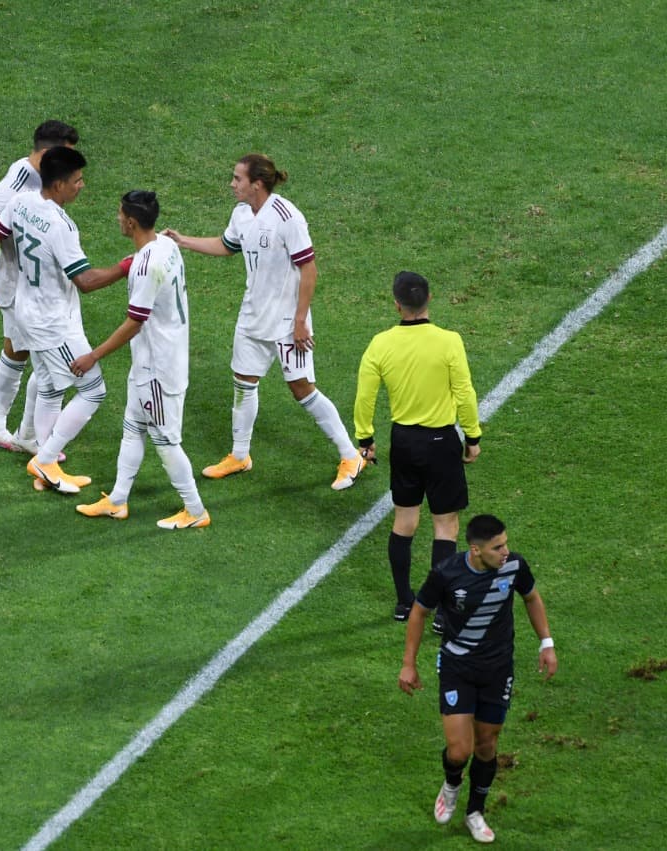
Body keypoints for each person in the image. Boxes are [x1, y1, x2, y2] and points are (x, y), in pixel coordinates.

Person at [163, 153, 365, 490]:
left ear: (257, 183)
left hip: (287, 321)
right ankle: (240, 455)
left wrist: (301, 321)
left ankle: (350, 455)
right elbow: (227, 246)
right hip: (253, 316)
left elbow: (309, 269)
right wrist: (183, 241)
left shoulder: (287, 217)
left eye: (237, 179)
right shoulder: (242, 214)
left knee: (301, 389)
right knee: (243, 382)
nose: (232, 184)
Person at [398, 514, 558, 844]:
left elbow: (531, 598)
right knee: (459, 751)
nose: (506, 552)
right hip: (458, 668)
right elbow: (418, 612)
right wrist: (408, 664)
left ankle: (475, 811)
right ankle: (452, 783)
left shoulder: (514, 566)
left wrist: (547, 643)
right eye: (498, 547)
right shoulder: (447, 573)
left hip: (498, 670)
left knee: (487, 746)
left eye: (506, 544)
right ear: (475, 550)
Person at [0, 146, 129, 494]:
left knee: (49, 383)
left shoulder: (20, 202)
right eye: (77, 181)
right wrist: (127, 266)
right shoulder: (62, 226)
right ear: (59, 184)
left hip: (25, 309)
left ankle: (39, 456)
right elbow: (86, 281)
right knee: (93, 389)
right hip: (52, 323)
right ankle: (46, 460)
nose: (82, 186)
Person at [71, 191, 210, 530]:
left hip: (159, 369)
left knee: (165, 440)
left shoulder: (147, 265)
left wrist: (93, 355)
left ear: (131, 222)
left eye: (120, 214)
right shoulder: (166, 246)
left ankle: (195, 510)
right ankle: (117, 501)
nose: (117, 219)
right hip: (151, 362)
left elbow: (135, 322)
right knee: (132, 428)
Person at [354, 271, 483, 628]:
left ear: (397, 304)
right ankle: (442, 610)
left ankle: (403, 603)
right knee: (446, 526)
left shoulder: (380, 344)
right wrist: (472, 437)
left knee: (405, 522)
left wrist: (365, 439)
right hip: (442, 442)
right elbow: (465, 393)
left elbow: (365, 396)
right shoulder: (449, 341)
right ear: (429, 300)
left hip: (404, 443)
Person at [0, 120, 80, 453]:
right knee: (35, 356)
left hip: (39, 284)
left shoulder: (45, 178)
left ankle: (4, 428)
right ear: (46, 153)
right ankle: (18, 432)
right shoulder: (19, 179)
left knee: (22, 353)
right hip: (19, 286)